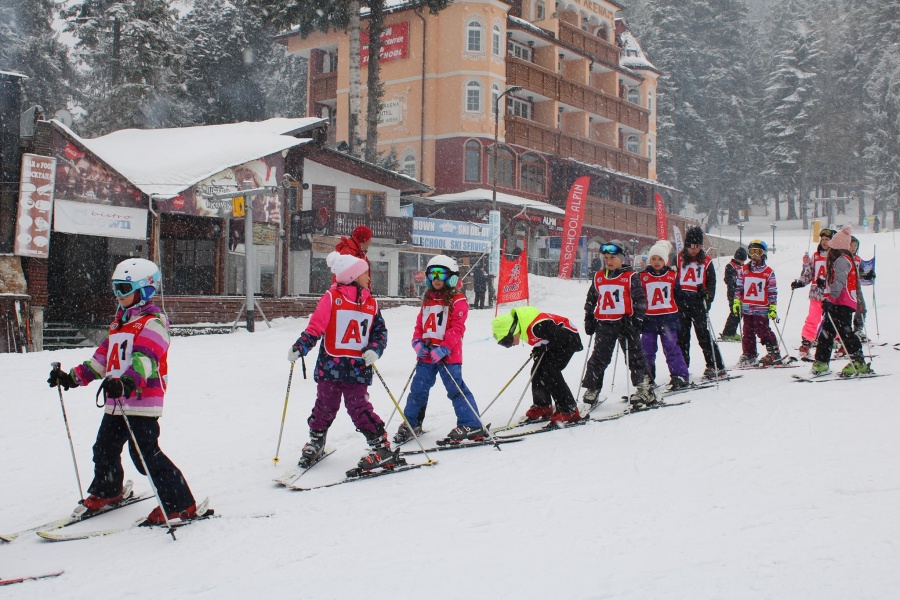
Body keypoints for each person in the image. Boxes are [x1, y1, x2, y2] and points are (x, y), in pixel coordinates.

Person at [47, 258, 198, 525]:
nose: (118, 294)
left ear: (145, 290)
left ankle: (179, 503)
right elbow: (101, 361)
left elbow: (146, 358)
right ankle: (108, 490)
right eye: (115, 288)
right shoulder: (119, 324)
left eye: (124, 289)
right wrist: (70, 378)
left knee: (144, 455)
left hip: (141, 402)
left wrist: (127, 381)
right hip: (116, 401)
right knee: (104, 448)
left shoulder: (154, 323)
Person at [288, 251, 393, 471]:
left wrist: (375, 349)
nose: (368, 277)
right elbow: (316, 327)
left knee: (359, 407)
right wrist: (301, 346)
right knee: (324, 406)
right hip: (331, 367)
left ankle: (381, 446)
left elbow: (379, 332)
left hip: (357, 369)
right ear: (353, 276)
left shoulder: (371, 303)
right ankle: (317, 440)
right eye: (365, 273)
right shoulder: (332, 298)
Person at [394, 255, 483, 443]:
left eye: (440, 274)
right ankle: (412, 423)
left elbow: (457, 328)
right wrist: (417, 343)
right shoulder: (427, 300)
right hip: (427, 354)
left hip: (448, 355)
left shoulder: (458, 300)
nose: (436, 279)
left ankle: (471, 423)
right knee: (418, 390)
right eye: (432, 274)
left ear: (451, 277)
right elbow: (420, 325)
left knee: (455, 389)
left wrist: (444, 348)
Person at [581, 240, 656, 409]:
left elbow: (640, 300)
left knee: (635, 356)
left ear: (622, 258)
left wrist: (636, 321)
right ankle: (593, 388)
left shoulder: (630, 277)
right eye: (606, 258)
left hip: (625, 323)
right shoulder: (599, 277)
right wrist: (589, 317)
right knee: (599, 357)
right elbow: (591, 299)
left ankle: (644, 386)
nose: (608, 261)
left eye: (612, 258)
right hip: (604, 323)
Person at [491, 307, 584, 423]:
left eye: (507, 341)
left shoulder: (536, 327)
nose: (509, 345)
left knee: (550, 371)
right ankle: (543, 405)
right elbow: (545, 338)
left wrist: (547, 347)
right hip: (556, 342)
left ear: (512, 330)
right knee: (537, 370)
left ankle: (568, 410)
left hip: (569, 340)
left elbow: (561, 336)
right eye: (504, 344)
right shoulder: (523, 326)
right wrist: (540, 347)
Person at [810, 225, 872, 376]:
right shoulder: (840, 259)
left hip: (843, 302)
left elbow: (840, 281)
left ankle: (858, 362)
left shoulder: (842, 260)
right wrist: (824, 284)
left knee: (845, 332)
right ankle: (822, 361)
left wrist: (831, 298)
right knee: (827, 331)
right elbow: (834, 281)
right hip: (838, 301)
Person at [638, 240, 691, 390]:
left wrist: (687, 304)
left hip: (668, 318)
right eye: (654, 259)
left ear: (666, 260)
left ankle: (679, 375)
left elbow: (679, 295)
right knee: (646, 350)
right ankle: (646, 377)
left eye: (660, 259)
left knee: (671, 348)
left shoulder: (672, 275)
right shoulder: (642, 276)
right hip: (649, 319)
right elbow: (638, 296)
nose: (657, 262)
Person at [676, 226, 726, 379]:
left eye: (697, 246)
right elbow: (671, 278)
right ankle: (682, 367)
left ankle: (715, 365)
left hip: (698, 303)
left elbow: (712, 284)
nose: (694, 250)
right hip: (681, 303)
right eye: (691, 246)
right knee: (682, 336)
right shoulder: (678, 259)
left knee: (703, 335)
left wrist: (707, 298)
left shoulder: (706, 262)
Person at [732, 240, 782, 366]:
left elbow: (772, 291)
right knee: (747, 331)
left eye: (757, 252)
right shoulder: (743, 270)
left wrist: (773, 307)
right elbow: (738, 288)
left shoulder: (768, 272)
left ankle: (774, 352)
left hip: (762, 308)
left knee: (763, 330)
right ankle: (749, 353)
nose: (754, 255)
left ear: (763, 254)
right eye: (752, 252)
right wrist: (736, 302)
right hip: (747, 307)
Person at [791, 228, 834, 360]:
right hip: (816, 294)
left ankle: (839, 341)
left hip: (831, 295)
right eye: (823, 239)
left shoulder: (835, 256)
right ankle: (806, 342)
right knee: (813, 318)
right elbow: (809, 273)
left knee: (833, 319)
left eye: (827, 239)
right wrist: (800, 282)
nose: (824, 242)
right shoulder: (815, 256)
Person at [720, 247, 748, 341]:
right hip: (733, 293)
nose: (742, 262)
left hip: (742, 293)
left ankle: (730, 331)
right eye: (741, 260)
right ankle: (728, 332)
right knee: (735, 312)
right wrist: (734, 283)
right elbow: (728, 279)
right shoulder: (730, 266)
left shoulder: (743, 267)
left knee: (739, 312)